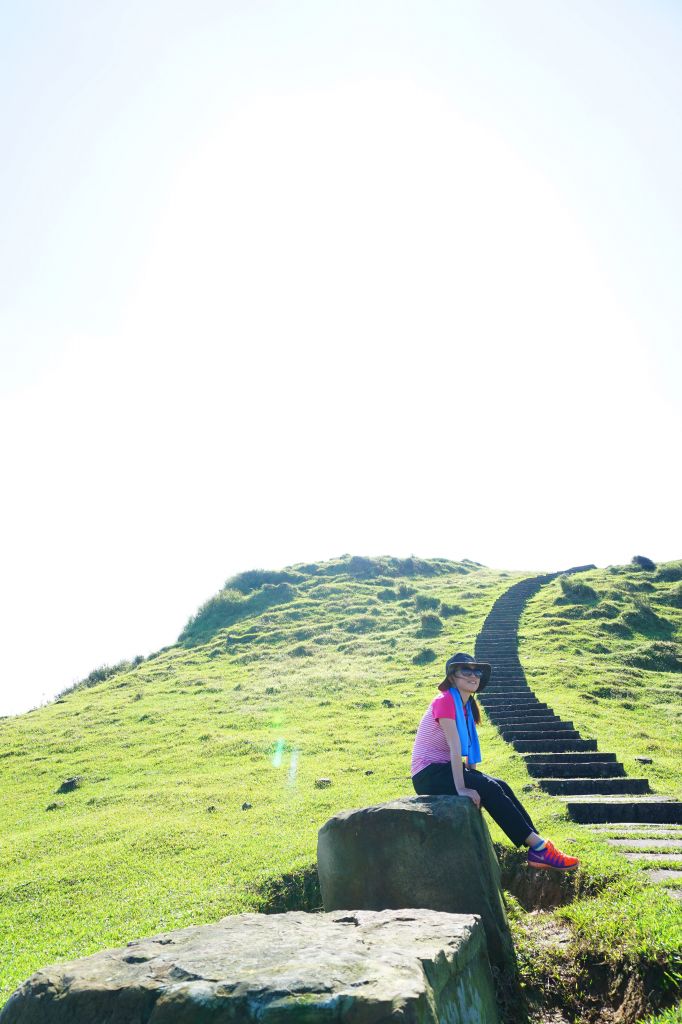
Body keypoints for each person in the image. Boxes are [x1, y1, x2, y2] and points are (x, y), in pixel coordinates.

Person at [411, 652, 580, 871]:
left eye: (477, 671)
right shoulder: (445, 701)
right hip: (428, 774)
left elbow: (468, 749)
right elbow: (455, 748)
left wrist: (474, 777)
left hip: (444, 770)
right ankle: (539, 847)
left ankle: (538, 845)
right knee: (489, 787)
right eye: (466, 671)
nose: (473, 676)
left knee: (500, 785)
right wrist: (463, 787)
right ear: (452, 676)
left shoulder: (466, 706)